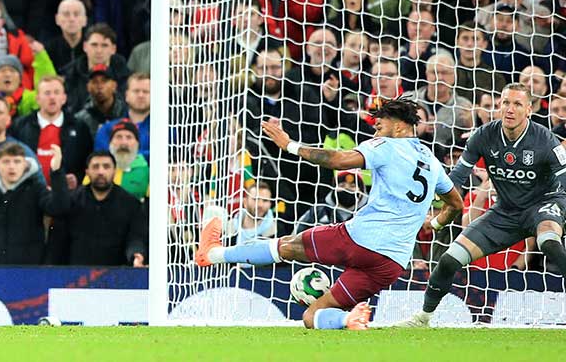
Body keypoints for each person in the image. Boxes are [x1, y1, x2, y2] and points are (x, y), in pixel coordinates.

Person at [197, 98, 463, 330]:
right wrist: (436, 223)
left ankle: (213, 254)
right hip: (392, 263)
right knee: (312, 316)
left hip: (362, 240)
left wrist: (290, 145)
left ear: (400, 125)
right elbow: (456, 204)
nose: (376, 129)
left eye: (380, 125)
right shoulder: (431, 160)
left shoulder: (385, 146)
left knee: (288, 246)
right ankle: (347, 321)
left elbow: (337, 160)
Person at [396, 84, 566, 327]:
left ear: (529, 109)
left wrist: (559, 207)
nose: (510, 109)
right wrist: (432, 207)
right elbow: (457, 177)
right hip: (505, 213)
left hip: (542, 206)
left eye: (517, 104)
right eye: (505, 102)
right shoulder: (483, 136)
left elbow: (564, 177)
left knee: (549, 242)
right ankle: (423, 317)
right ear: (499, 106)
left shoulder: (544, 139)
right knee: (450, 259)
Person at [55, 150, 147, 266]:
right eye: (95, 167)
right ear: (87, 171)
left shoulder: (131, 204)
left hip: (118, 275)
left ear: (114, 171)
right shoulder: (71, 201)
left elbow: (136, 236)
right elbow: (58, 241)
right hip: (76, 275)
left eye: (106, 167)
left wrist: (136, 254)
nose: (101, 171)